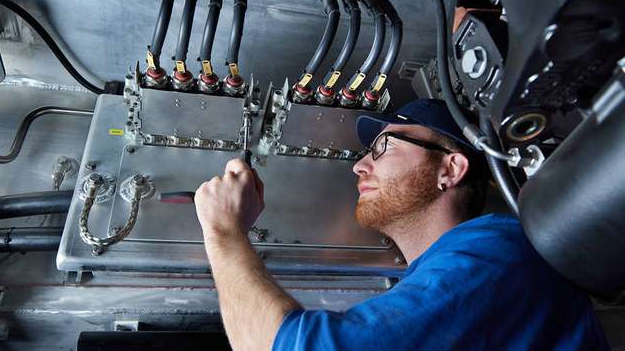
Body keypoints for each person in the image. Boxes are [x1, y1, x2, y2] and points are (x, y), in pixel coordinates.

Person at [194, 98, 608, 350]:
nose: (359, 165)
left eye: (384, 146)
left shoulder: (498, 252)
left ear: (451, 168)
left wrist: (223, 230)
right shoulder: (458, 270)